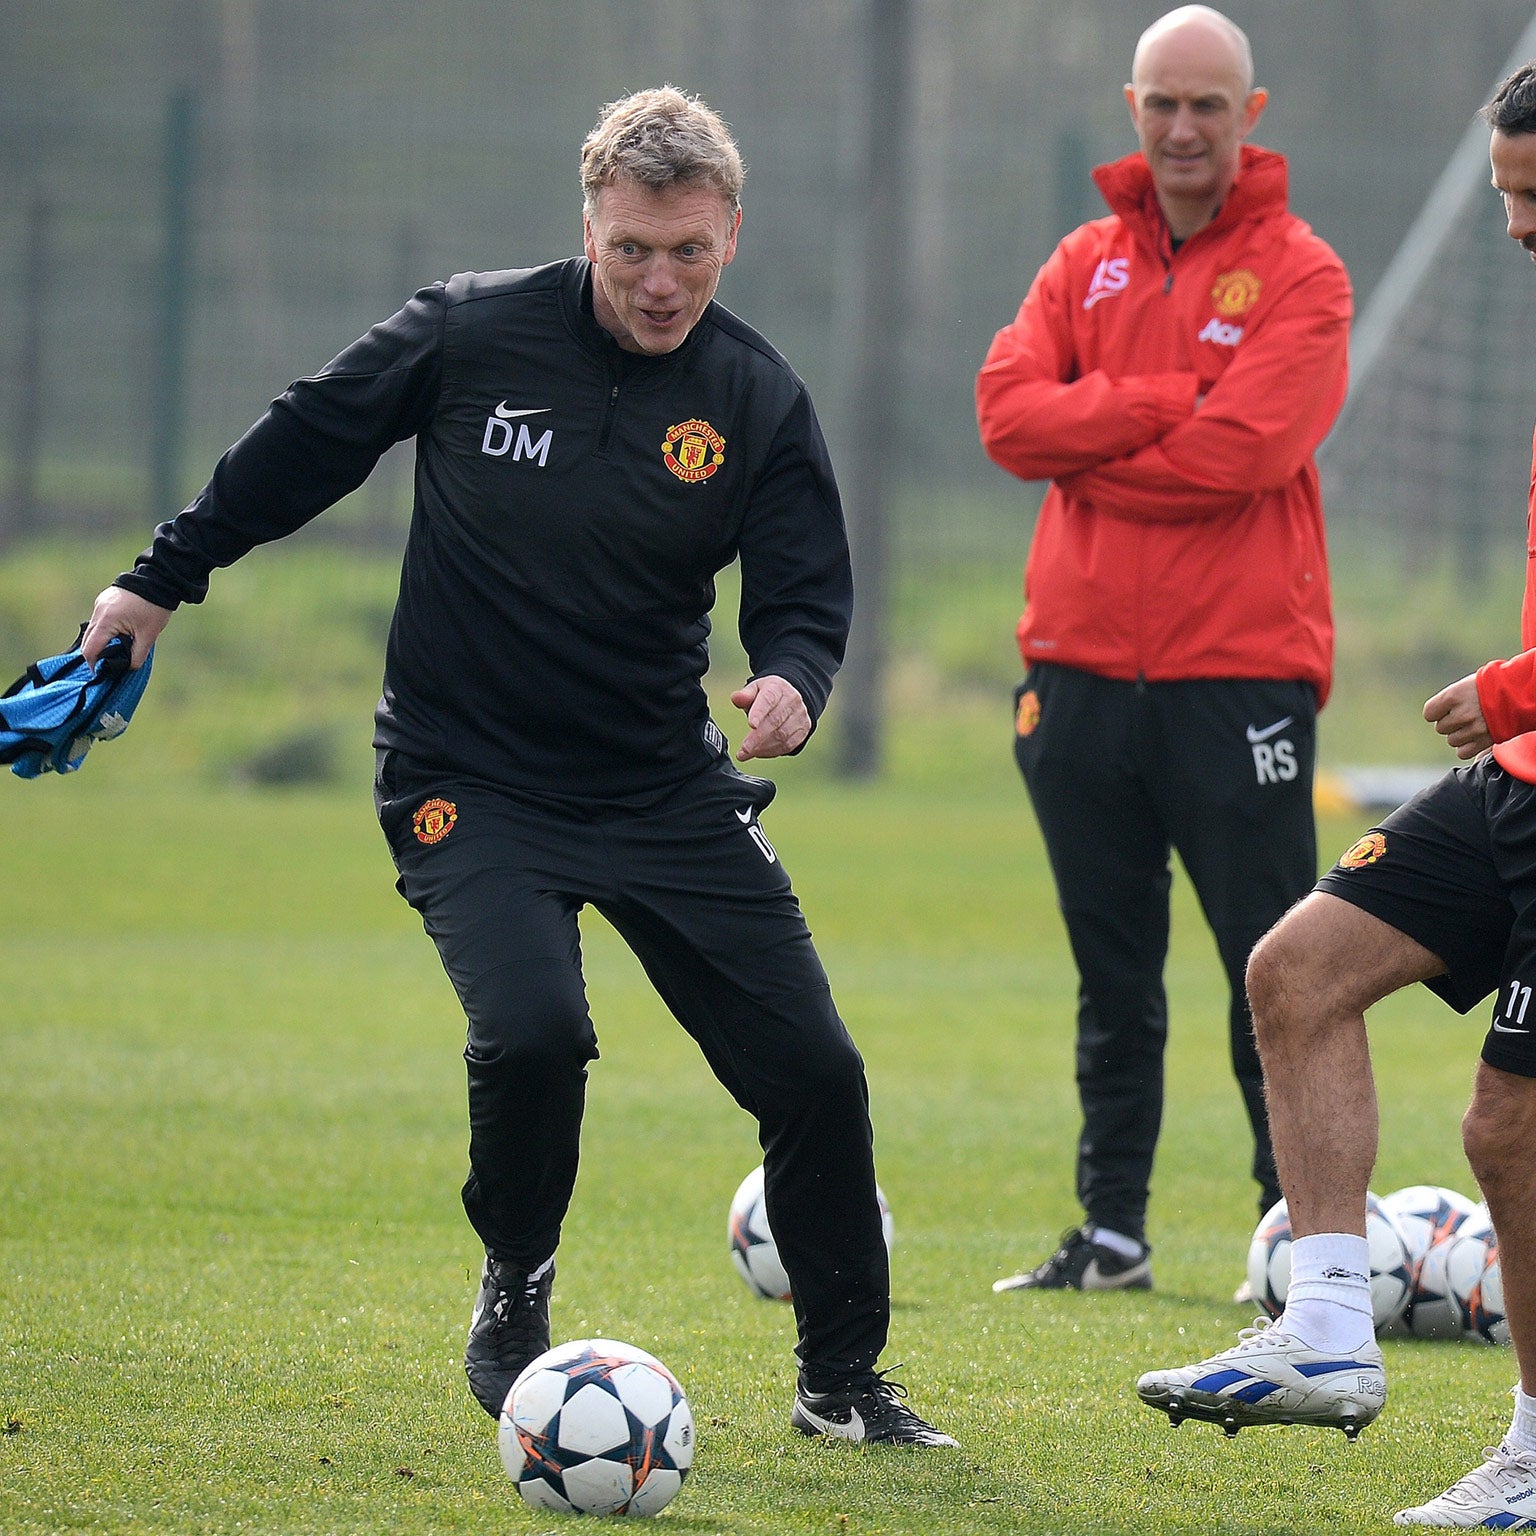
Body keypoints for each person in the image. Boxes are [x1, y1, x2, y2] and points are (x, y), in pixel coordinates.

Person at [78, 87, 954, 1448]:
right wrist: (157, 582)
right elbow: (304, 442)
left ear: (733, 233)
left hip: (662, 786)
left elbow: (802, 593)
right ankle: (518, 1277)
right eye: (632, 253)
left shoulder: (754, 397)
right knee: (538, 1030)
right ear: (587, 227)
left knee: (816, 1074)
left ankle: (842, 1383)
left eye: (691, 254)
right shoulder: (467, 331)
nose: (662, 283)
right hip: (465, 778)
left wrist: (794, 677)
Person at [1137, 53, 1536, 1527]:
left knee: (1514, 1131)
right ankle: (1325, 1332)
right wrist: (1530, 706)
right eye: (1504, 195)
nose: (1518, 224)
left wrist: (1520, 686)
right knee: (1297, 971)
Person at [974, 4, 1350, 1295]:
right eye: (1162, 103)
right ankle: (1114, 1234)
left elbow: (1249, 453)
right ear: (1131, 108)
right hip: (1074, 676)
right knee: (1111, 977)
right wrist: (1161, 401)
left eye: (1209, 105)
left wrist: (1099, 445)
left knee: (1278, 969)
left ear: (1252, 117)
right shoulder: (1082, 262)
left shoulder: (1304, 274)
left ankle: (1295, 1241)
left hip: (1238, 678)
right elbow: (1007, 419)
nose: (1183, 128)